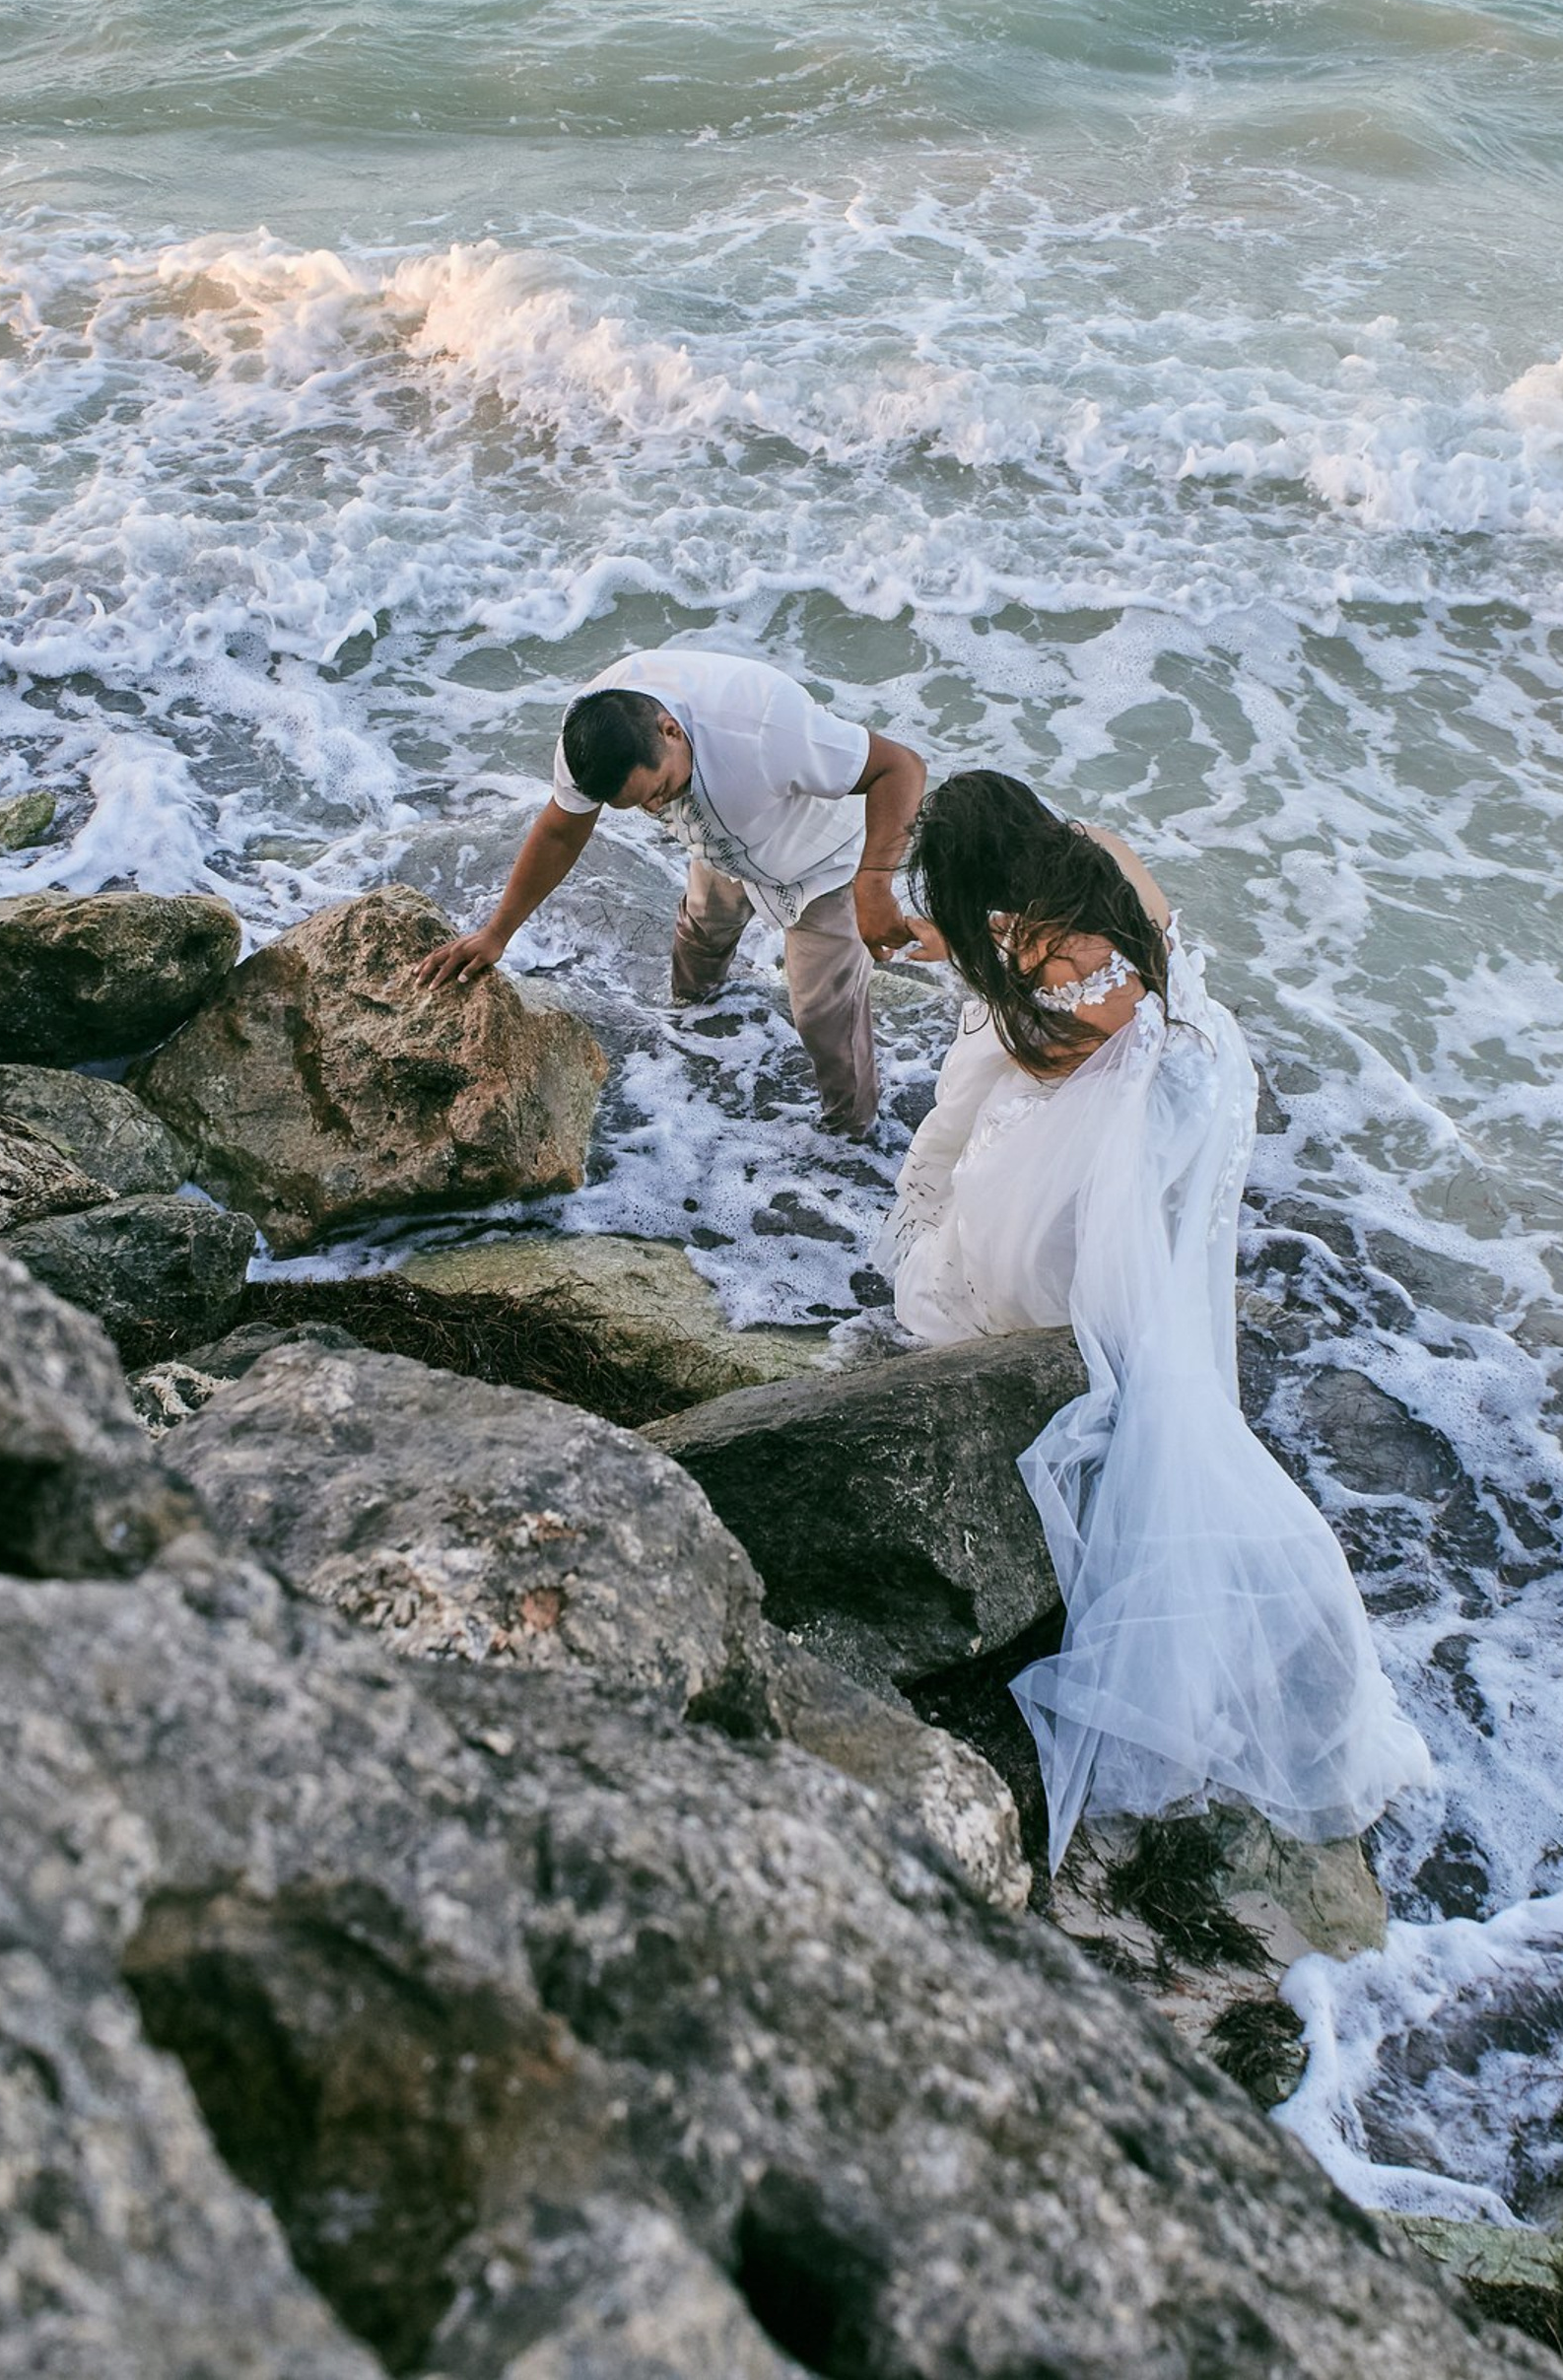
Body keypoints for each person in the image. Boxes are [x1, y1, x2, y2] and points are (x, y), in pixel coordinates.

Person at [881, 771, 1431, 1870]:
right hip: (1169, 1068)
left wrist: (998, 1002)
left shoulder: (1064, 959)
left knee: (1003, 1248)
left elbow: (1069, 1050)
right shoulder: (1085, 851)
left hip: (1129, 1089)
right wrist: (967, 959)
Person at [416, 648, 925, 1134]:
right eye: (638, 805)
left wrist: (874, 885)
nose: (656, 809)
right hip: (721, 844)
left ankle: (852, 1134)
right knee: (698, 935)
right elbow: (560, 831)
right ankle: (695, 1028)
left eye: (657, 791)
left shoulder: (767, 724)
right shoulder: (591, 737)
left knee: (822, 1018)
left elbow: (901, 767)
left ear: (672, 730)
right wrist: (496, 933)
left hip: (822, 862)